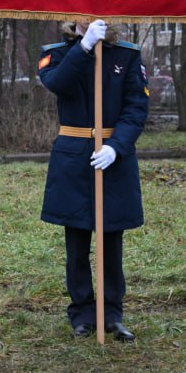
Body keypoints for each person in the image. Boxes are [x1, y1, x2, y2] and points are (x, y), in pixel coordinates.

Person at [37, 19, 148, 342]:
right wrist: (84, 48)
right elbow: (58, 83)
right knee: (77, 241)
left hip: (113, 156)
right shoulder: (56, 53)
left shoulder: (126, 56)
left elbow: (136, 108)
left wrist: (117, 146)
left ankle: (112, 314)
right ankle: (82, 313)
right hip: (74, 157)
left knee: (111, 240)